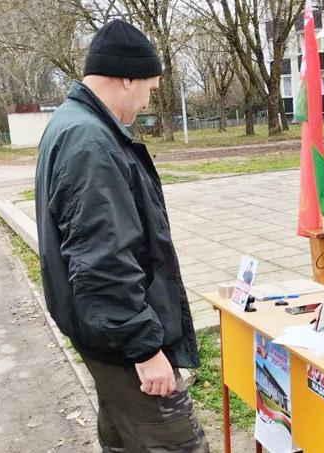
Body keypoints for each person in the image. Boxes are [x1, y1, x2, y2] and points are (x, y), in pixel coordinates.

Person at [35, 20, 209, 452]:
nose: (149, 99)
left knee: (124, 441)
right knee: (177, 443)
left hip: (102, 332)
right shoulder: (90, 141)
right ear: (126, 77)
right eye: (149, 87)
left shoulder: (72, 123)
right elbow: (102, 260)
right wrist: (146, 350)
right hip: (122, 339)